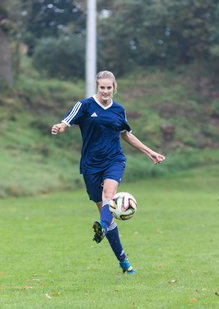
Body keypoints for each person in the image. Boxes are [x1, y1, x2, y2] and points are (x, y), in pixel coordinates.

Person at [51, 71, 165, 274]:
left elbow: (126, 135)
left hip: (114, 160)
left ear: (114, 88)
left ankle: (101, 226)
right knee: (107, 213)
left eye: (108, 87)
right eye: (102, 87)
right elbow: (67, 120)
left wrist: (150, 152)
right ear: (97, 87)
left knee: (109, 197)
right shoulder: (85, 105)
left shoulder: (119, 110)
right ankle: (123, 261)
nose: (105, 91)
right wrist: (60, 127)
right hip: (90, 165)